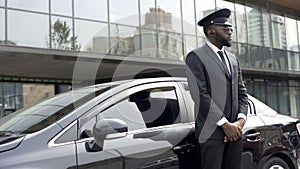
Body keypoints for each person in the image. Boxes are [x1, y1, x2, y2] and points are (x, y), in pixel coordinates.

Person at [185, 8, 248, 169]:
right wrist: (225, 125)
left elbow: (242, 93)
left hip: (235, 133)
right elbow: (200, 95)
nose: (230, 32)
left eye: (231, 29)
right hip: (211, 134)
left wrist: (239, 123)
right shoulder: (196, 57)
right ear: (211, 31)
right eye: (225, 28)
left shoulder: (233, 59)